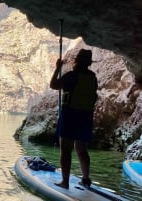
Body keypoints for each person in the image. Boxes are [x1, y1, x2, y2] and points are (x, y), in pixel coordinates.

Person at [50, 49, 98, 189]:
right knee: (81, 148)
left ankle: (65, 182)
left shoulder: (72, 76)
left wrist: (57, 68)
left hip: (70, 114)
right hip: (86, 116)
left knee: (66, 149)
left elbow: (53, 85)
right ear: (89, 63)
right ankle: (86, 179)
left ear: (76, 61)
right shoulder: (93, 77)